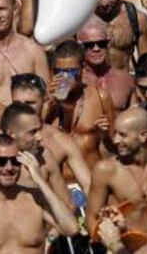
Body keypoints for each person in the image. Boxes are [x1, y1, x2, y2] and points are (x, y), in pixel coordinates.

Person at [0, 133, 78, 252]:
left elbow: (71, 228)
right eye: (0, 161)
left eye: (15, 161)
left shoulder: (35, 199)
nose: (9, 168)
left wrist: (40, 181)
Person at [86, 107, 147, 241]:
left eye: (123, 135)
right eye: (115, 133)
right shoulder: (107, 170)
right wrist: (111, 243)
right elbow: (91, 219)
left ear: (143, 136)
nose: (115, 140)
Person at [48, 40, 115, 169]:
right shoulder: (46, 101)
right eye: (59, 71)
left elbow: (115, 147)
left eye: (72, 71)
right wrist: (47, 105)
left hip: (90, 182)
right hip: (59, 184)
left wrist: (104, 135)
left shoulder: (100, 98)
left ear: (83, 68)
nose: (66, 76)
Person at [78, 16, 135, 111]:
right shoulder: (75, 81)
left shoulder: (125, 79)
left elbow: (136, 117)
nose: (96, 49)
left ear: (108, 43)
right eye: (89, 45)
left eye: (101, 43)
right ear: (80, 46)